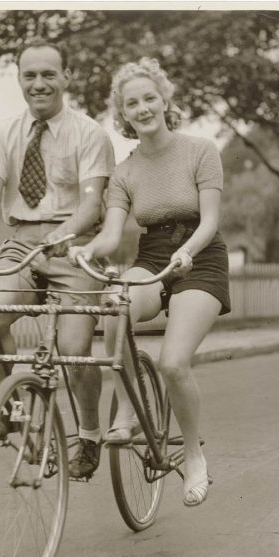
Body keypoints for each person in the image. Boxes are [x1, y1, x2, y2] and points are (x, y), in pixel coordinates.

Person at [0, 38, 115, 479]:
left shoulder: (90, 134)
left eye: (48, 74)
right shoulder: (5, 131)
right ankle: (19, 413)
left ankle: (91, 434)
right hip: (21, 242)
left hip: (73, 246)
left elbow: (92, 203)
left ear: (67, 77)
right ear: (20, 79)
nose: (39, 84)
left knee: (75, 350)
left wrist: (64, 236)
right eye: (29, 75)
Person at [69, 58, 230, 506]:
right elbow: (111, 233)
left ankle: (194, 456)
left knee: (174, 363)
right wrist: (89, 249)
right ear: (123, 113)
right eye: (132, 103)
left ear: (165, 100)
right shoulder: (125, 171)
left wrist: (188, 253)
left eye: (149, 98)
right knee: (113, 303)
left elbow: (211, 221)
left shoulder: (200, 150)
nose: (142, 108)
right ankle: (129, 407)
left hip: (201, 256)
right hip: (154, 255)